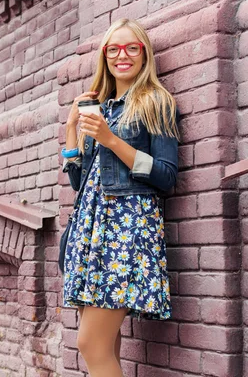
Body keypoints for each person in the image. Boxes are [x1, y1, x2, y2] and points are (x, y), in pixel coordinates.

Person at [61, 18, 179, 377]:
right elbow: (80, 181)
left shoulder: (155, 102)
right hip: (92, 228)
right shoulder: (101, 106)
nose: (121, 55)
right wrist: (71, 130)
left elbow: (166, 175)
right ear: (104, 56)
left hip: (127, 230)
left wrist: (112, 140)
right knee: (103, 345)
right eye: (113, 49)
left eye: (131, 48)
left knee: (89, 344)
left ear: (144, 54)